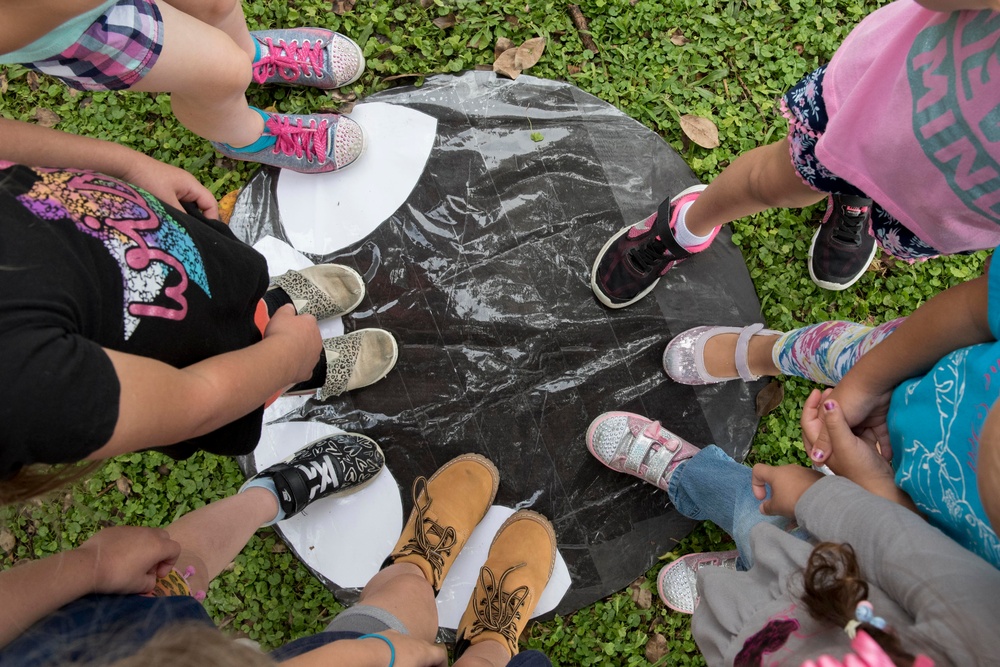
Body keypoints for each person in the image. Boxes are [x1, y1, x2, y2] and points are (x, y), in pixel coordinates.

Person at [0, 121, 397, 496]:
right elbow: (192, 399)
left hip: (163, 251)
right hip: (178, 367)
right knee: (248, 374)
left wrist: (127, 164)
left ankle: (266, 305)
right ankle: (295, 376)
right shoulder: (16, 383)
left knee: (229, 291)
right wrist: (286, 358)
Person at [591, 0, 1000, 304]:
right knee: (772, 182)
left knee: (884, 190)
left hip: (956, 199)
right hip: (888, 103)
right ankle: (686, 225)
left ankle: (858, 196)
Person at [0, 452, 558, 667]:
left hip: (84, 646)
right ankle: (489, 641)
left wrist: (90, 568)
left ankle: (413, 562)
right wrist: (382, 654)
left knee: (167, 568)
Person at [660, 240, 1000, 567]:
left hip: (899, 518)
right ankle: (767, 352)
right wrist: (866, 383)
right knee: (833, 353)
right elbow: (979, 305)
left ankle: (756, 566)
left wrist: (875, 483)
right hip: (919, 353)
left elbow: (936, 568)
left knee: (812, 559)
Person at [585, 409, 1000, 665]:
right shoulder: (985, 638)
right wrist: (809, 495)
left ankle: (745, 572)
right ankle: (688, 474)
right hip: (828, 568)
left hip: (753, 646)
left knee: (733, 584)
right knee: (751, 510)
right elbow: (896, 545)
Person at [0, 0, 367, 173]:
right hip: (66, 25)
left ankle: (252, 53)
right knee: (218, 74)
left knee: (216, 5)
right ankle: (246, 138)